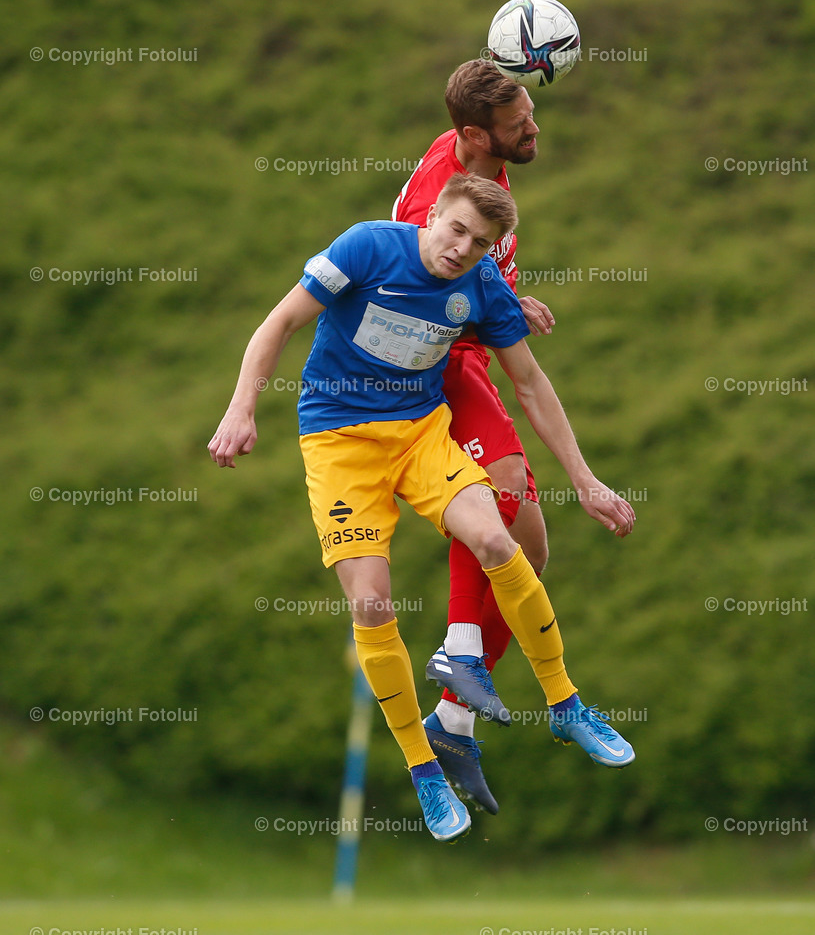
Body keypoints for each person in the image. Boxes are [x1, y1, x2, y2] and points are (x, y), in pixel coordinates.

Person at [208, 173, 635, 843]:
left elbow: (528, 380)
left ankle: (564, 702)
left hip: (419, 433)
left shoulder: (483, 287)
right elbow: (280, 321)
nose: (461, 249)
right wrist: (240, 410)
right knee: (372, 602)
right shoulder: (367, 247)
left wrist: (584, 480)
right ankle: (424, 771)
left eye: (480, 243)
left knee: (499, 543)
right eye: (455, 229)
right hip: (340, 443)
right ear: (432, 214)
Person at [393, 60, 635, 814]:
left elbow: (466, 277)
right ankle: (479, 666)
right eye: (519, 121)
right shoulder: (441, 195)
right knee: (497, 500)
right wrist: (487, 299)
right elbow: (409, 297)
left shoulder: (477, 156)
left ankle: (455, 721)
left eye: (529, 110)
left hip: (461, 350)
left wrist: (495, 291)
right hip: (428, 367)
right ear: (473, 137)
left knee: (529, 550)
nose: (534, 126)